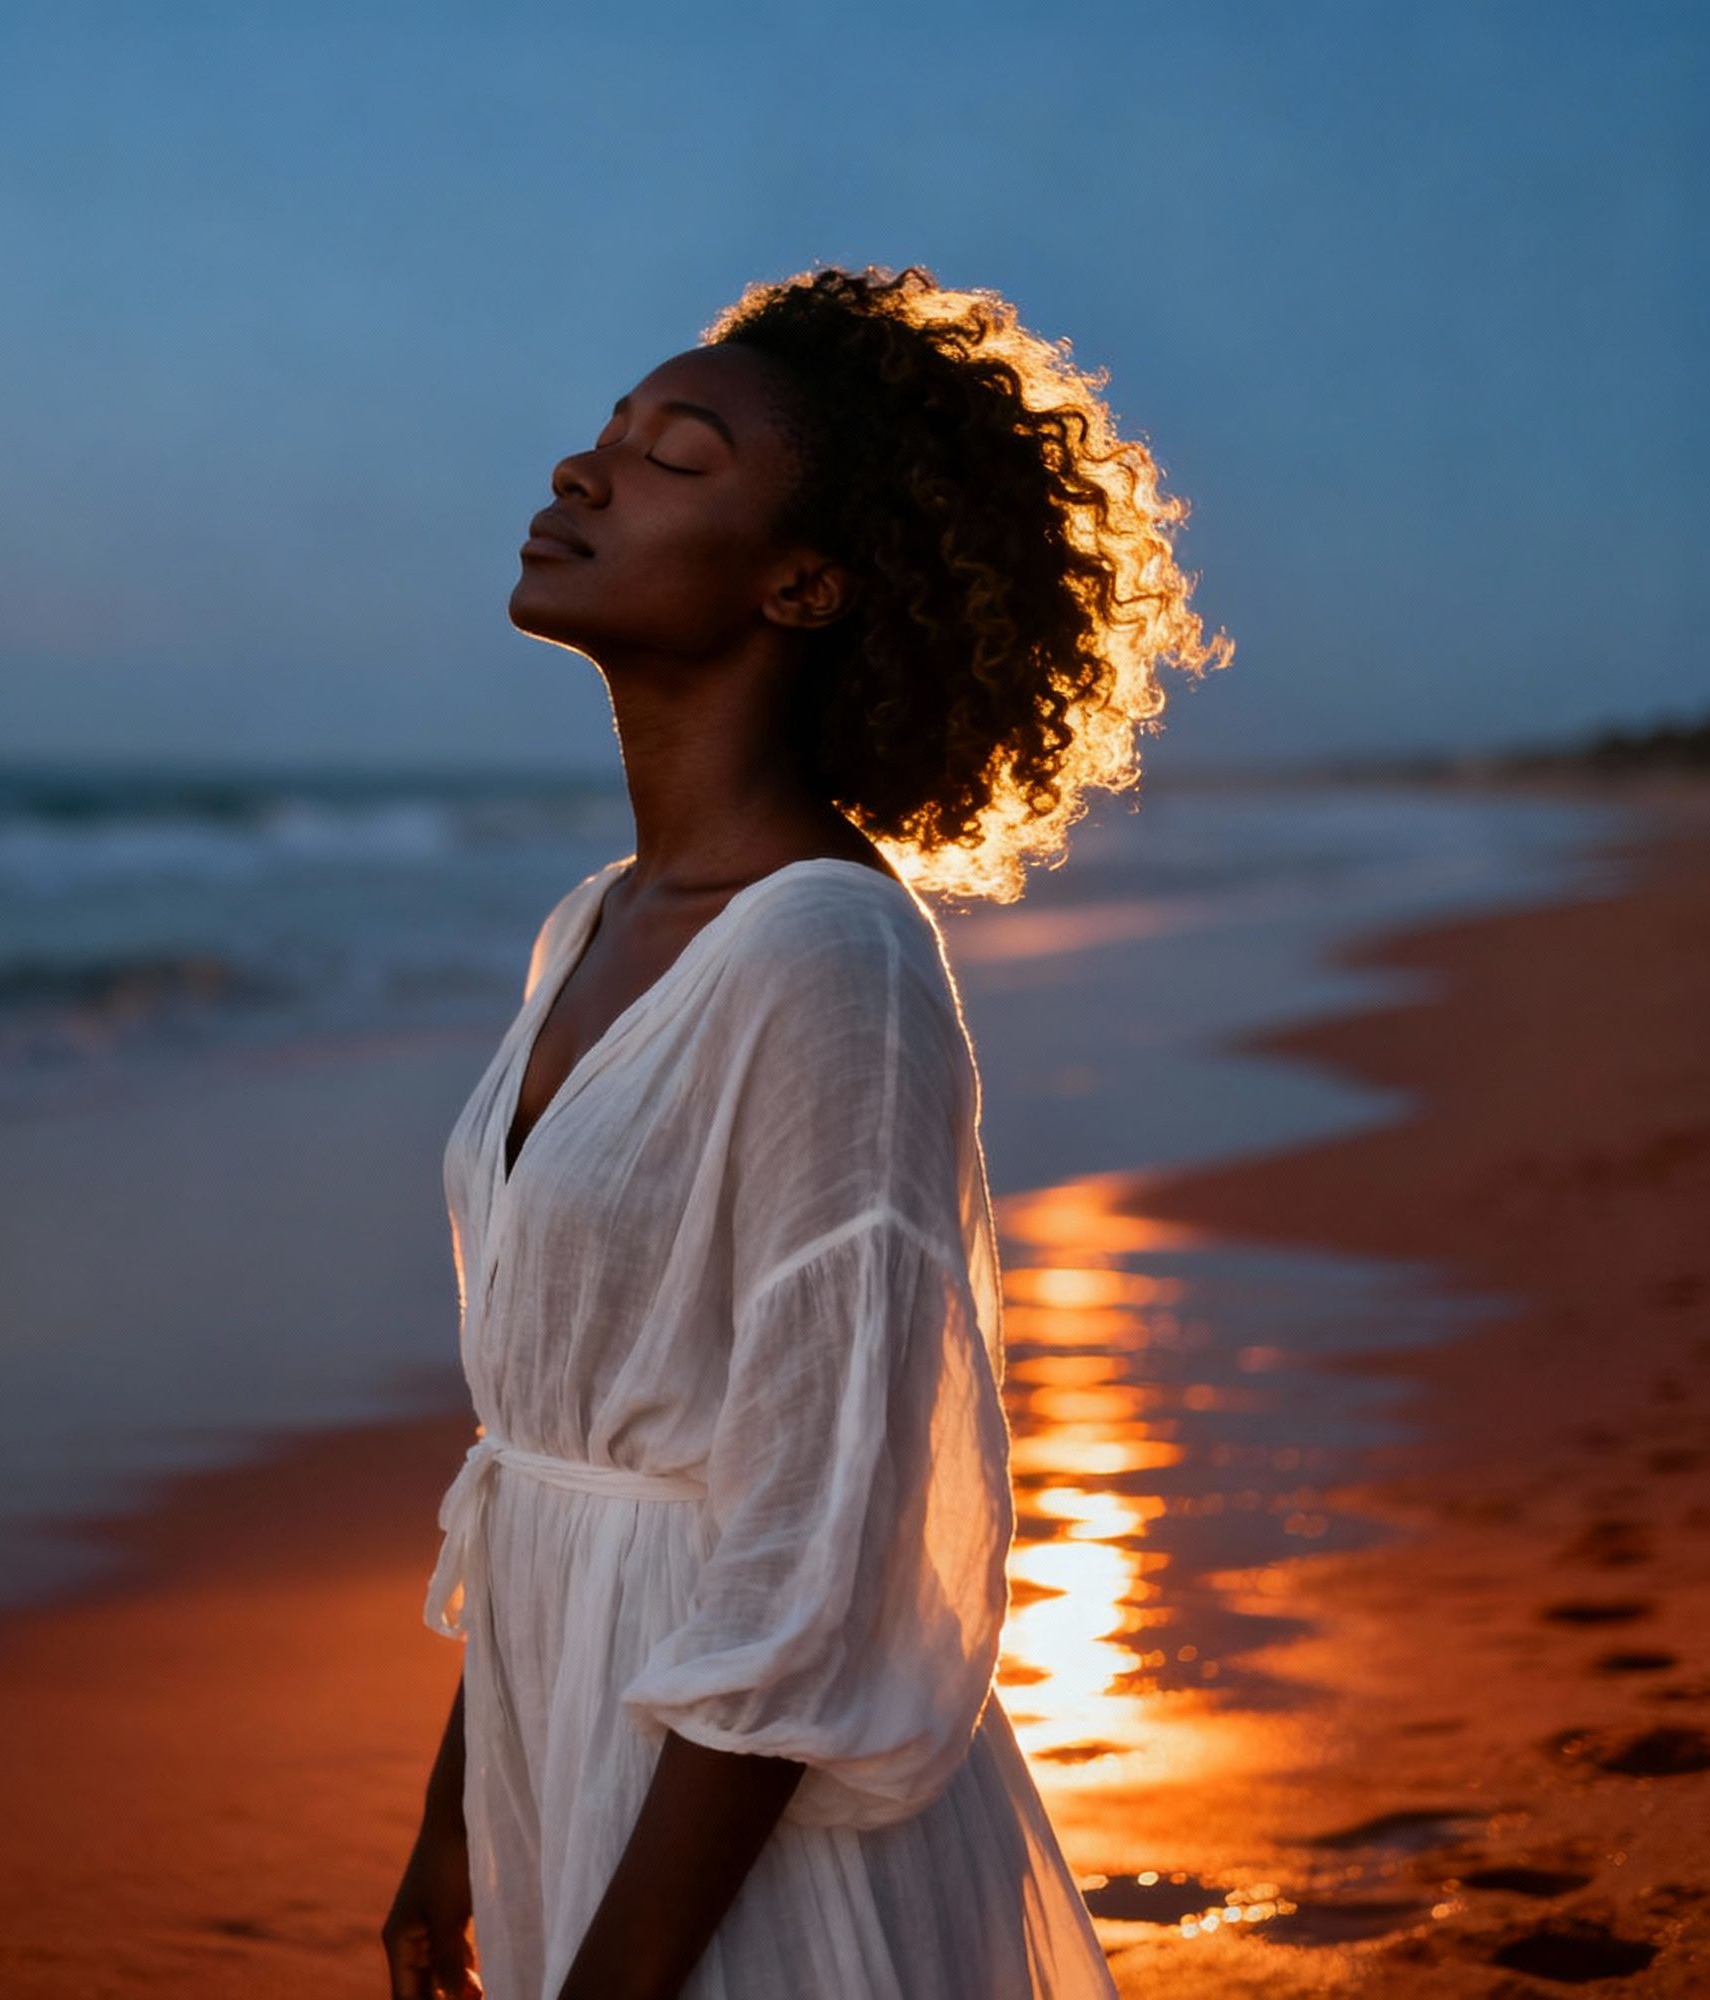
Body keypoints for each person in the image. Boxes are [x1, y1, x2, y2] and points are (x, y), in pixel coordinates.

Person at [383, 263, 1229, 2000]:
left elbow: (824, 1534)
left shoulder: (836, 955)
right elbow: (541, 1445)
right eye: (606, 434)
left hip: (727, 1826)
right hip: (569, 1741)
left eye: (675, 455)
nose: (583, 473)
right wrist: (456, 1812)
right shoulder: (589, 927)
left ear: (806, 583)